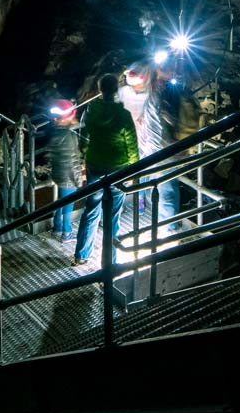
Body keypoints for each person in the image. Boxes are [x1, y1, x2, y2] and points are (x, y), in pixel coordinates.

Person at [74, 73, 138, 266]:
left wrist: (85, 156)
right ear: (116, 90)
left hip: (95, 166)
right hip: (118, 167)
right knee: (113, 215)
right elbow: (132, 145)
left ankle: (81, 255)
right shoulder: (123, 115)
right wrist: (134, 169)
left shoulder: (91, 110)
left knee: (91, 209)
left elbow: (83, 137)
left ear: (100, 89)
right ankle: (109, 262)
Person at [118, 64, 180, 236]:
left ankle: (169, 228)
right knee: (161, 185)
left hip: (159, 150)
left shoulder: (158, 96)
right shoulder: (161, 94)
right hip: (154, 148)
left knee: (165, 188)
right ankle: (162, 221)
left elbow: (158, 126)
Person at [45, 99, 84, 241]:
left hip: (58, 173)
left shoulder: (55, 132)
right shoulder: (69, 136)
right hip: (68, 177)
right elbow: (72, 162)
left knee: (61, 202)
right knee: (68, 205)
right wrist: (78, 180)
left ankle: (57, 227)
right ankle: (66, 232)